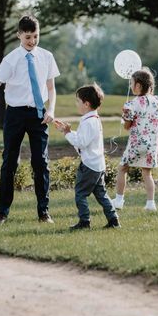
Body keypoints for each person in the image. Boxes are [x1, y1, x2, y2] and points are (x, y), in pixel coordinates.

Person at [0, 14, 59, 225]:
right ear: (19, 35)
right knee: (9, 163)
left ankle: (43, 212)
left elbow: (51, 88)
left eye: (36, 36)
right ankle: (2, 212)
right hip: (15, 115)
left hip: (39, 115)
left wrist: (51, 110)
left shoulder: (47, 56)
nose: (32, 41)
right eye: (28, 37)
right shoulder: (10, 59)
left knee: (41, 163)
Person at [54, 83, 120, 230]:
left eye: (78, 101)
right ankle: (113, 219)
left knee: (80, 194)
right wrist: (68, 131)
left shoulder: (88, 122)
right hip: (98, 165)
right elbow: (84, 140)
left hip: (89, 165)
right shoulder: (93, 119)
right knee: (101, 194)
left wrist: (67, 134)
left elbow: (82, 143)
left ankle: (85, 221)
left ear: (86, 104)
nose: (76, 104)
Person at [113, 69, 158, 212]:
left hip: (136, 144)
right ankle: (151, 204)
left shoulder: (132, 104)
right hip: (151, 145)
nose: (130, 86)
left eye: (131, 83)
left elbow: (127, 127)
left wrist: (125, 119)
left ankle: (118, 200)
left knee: (123, 168)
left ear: (137, 86)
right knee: (147, 173)